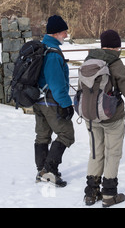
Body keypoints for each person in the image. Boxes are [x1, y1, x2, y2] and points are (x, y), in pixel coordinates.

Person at [83, 29, 125, 207]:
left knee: (96, 152)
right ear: (116, 46)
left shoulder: (89, 59)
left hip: (90, 115)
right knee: (113, 153)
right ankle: (109, 195)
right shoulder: (115, 62)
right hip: (112, 116)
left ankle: (90, 193)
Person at [34, 15, 75, 187]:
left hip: (37, 99)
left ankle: (41, 171)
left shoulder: (41, 47)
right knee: (66, 134)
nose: (66, 35)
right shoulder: (53, 54)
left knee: (42, 135)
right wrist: (67, 105)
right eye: (65, 31)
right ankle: (48, 171)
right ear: (57, 32)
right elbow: (57, 85)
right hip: (50, 101)